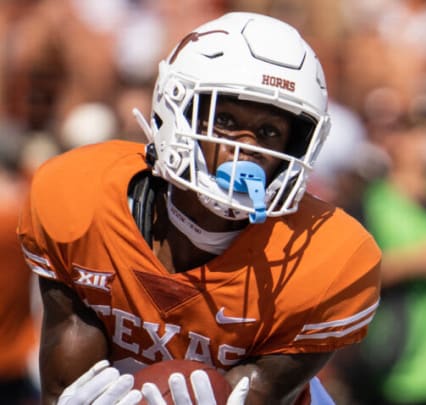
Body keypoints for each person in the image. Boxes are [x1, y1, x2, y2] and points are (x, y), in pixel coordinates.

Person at [18, 12, 381, 405]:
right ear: (175, 111)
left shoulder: (326, 257)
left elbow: (258, 395)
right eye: (224, 120)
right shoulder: (81, 197)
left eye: (268, 132)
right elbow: (63, 390)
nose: (244, 148)